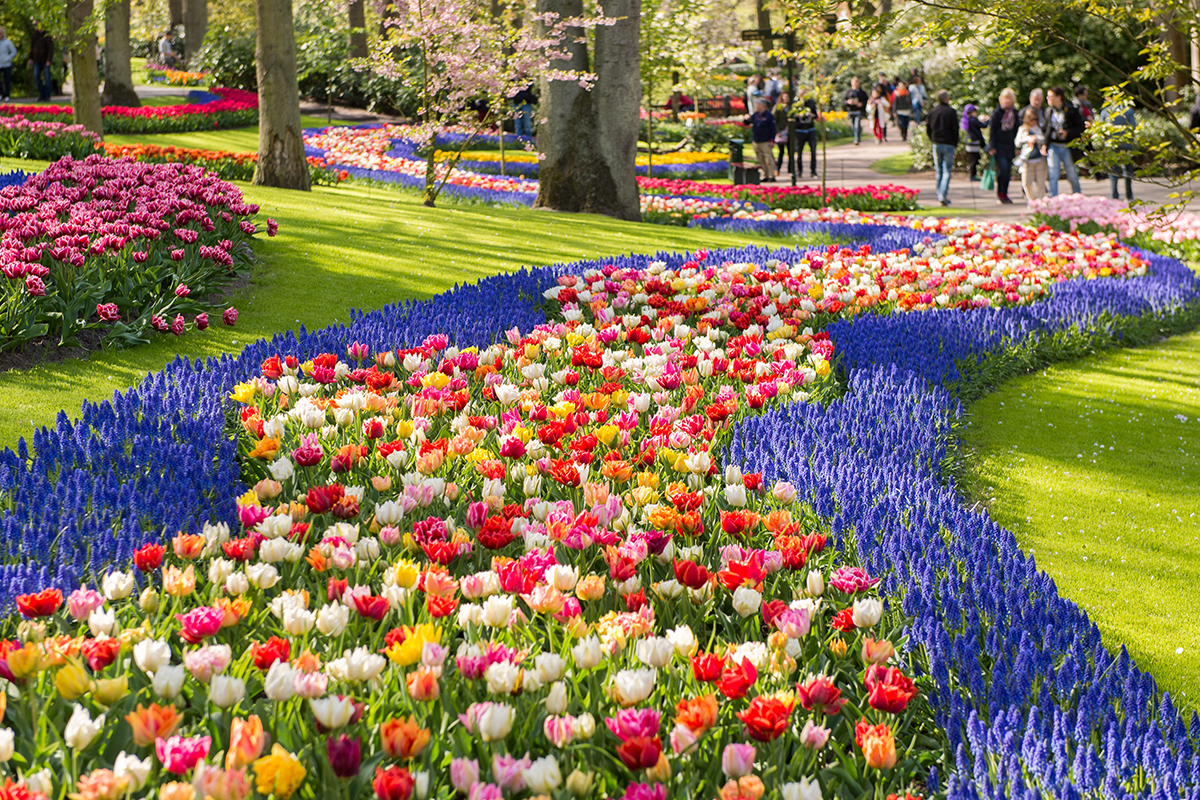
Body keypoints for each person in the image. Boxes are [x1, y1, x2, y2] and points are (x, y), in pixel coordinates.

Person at [1045, 85, 1084, 195]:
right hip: (1053, 145)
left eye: (1050, 96)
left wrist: (1067, 133)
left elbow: (1080, 127)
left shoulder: (1071, 110)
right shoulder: (1049, 111)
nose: (1048, 99)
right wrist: (1045, 144)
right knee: (1053, 174)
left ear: (1059, 97)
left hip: (1067, 146)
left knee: (1072, 174)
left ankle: (1077, 195)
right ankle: (1053, 199)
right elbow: (1047, 129)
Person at [987, 87, 1020, 204]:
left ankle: (1005, 193)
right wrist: (992, 146)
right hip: (999, 145)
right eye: (1006, 99)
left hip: (1010, 145)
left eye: (1010, 99)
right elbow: (992, 130)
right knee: (1002, 169)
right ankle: (1000, 193)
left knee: (1008, 172)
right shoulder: (997, 113)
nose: (1007, 101)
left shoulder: (1015, 114)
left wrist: (1018, 147)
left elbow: (1017, 131)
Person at [926, 89, 958, 206]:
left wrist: (932, 138)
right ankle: (942, 194)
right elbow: (955, 129)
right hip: (948, 143)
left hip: (937, 143)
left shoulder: (933, 112)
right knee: (946, 170)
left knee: (939, 170)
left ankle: (940, 193)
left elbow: (928, 128)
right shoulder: (951, 112)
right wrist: (955, 141)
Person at [1099, 100, 1136, 201]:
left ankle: (1114, 196)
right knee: (1127, 171)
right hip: (1126, 145)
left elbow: (1101, 130)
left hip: (1111, 145)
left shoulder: (1105, 111)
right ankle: (1129, 196)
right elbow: (1132, 127)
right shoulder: (1128, 110)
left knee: (1113, 172)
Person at [1014, 108, 1048, 201]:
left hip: (1040, 160)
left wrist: (1036, 138)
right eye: (1031, 119)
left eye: (1035, 119)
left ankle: (1041, 201)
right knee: (1026, 183)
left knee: (1041, 183)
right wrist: (1028, 139)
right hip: (1027, 160)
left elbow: (1045, 139)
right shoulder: (1022, 129)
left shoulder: (1039, 128)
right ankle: (1032, 200)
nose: (1033, 122)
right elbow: (1017, 142)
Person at [791, 86, 820, 178]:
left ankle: (813, 171)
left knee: (813, 151)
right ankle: (799, 171)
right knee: (799, 152)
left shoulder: (811, 103)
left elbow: (815, 115)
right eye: (801, 94)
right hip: (799, 130)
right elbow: (791, 116)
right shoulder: (796, 104)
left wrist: (812, 115)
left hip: (810, 129)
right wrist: (797, 115)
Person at [748, 97, 778, 182]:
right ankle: (766, 175)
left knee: (769, 158)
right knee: (760, 159)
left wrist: (772, 140)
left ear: (762, 105)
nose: (756, 106)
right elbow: (748, 122)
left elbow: (773, 128)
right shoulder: (755, 115)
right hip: (756, 140)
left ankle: (772, 175)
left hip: (766, 141)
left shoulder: (769, 116)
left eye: (757, 104)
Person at [961, 104, 987, 181]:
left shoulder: (968, 120)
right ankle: (973, 175)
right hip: (974, 142)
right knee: (974, 159)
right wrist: (988, 120)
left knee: (973, 158)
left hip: (969, 141)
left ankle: (973, 175)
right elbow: (983, 125)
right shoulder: (973, 120)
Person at [28, 25, 53, 101]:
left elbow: (51, 48)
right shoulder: (35, 35)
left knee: (47, 77)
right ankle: (42, 94)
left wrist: (49, 60)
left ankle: (47, 96)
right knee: (37, 76)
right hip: (37, 60)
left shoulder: (46, 35)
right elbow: (32, 47)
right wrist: (30, 58)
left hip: (45, 60)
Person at [843, 77, 868, 145]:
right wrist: (848, 102)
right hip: (851, 111)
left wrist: (861, 104)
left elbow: (866, 100)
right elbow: (843, 101)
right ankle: (858, 136)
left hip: (858, 111)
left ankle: (856, 139)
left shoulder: (862, 92)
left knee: (857, 125)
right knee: (853, 126)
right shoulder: (848, 92)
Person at [773, 91, 792, 172]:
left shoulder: (791, 107)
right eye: (785, 97)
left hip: (790, 132)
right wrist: (777, 131)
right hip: (781, 131)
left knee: (790, 152)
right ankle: (778, 168)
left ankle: (790, 170)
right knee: (781, 152)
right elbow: (774, 120)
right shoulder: (778, 107)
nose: (786, 99)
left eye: (788, 97)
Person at [0, 27, 16, 102]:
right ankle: (1, 94)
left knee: (7, 80)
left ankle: (7, 95)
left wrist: (8, 58)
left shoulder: (7, 42)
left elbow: (13, 52)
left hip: (6, 64)